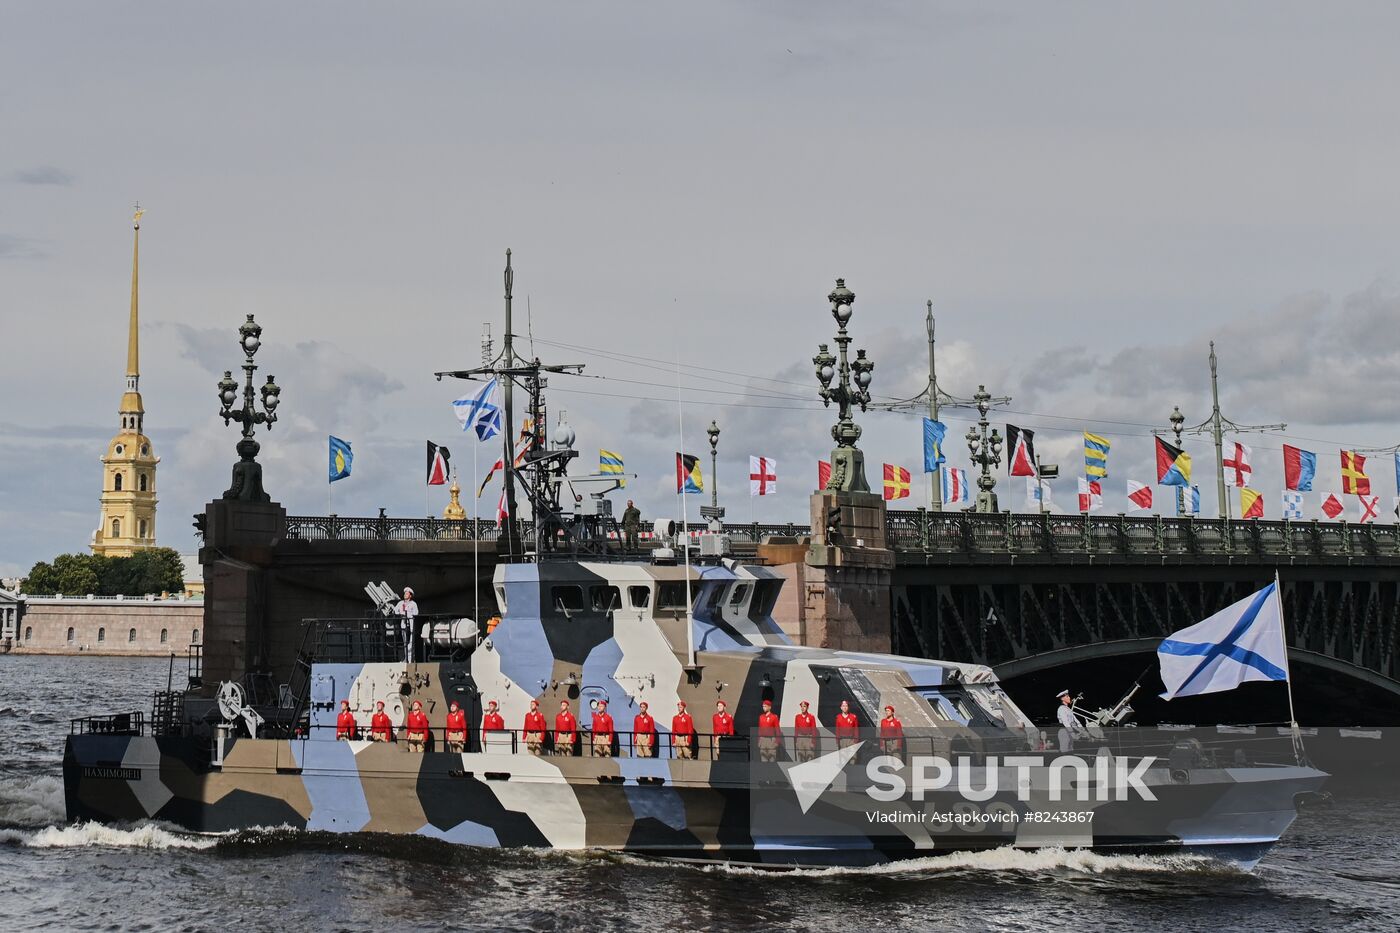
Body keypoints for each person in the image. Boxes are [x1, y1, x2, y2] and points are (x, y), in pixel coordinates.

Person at [394, 586, 419, 664]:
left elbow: (416, 613)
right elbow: (395, 611)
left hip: (410, 626)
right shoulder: (400, 603)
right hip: (403, 625)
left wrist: (408, 614)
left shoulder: (413, 604)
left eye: (407, 593)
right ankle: (406, 658)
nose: (405, 594)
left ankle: (411, 659)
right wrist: (401, 614)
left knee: (411, 643)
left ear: (410, 595)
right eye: (405, 593)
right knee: (405, 643)